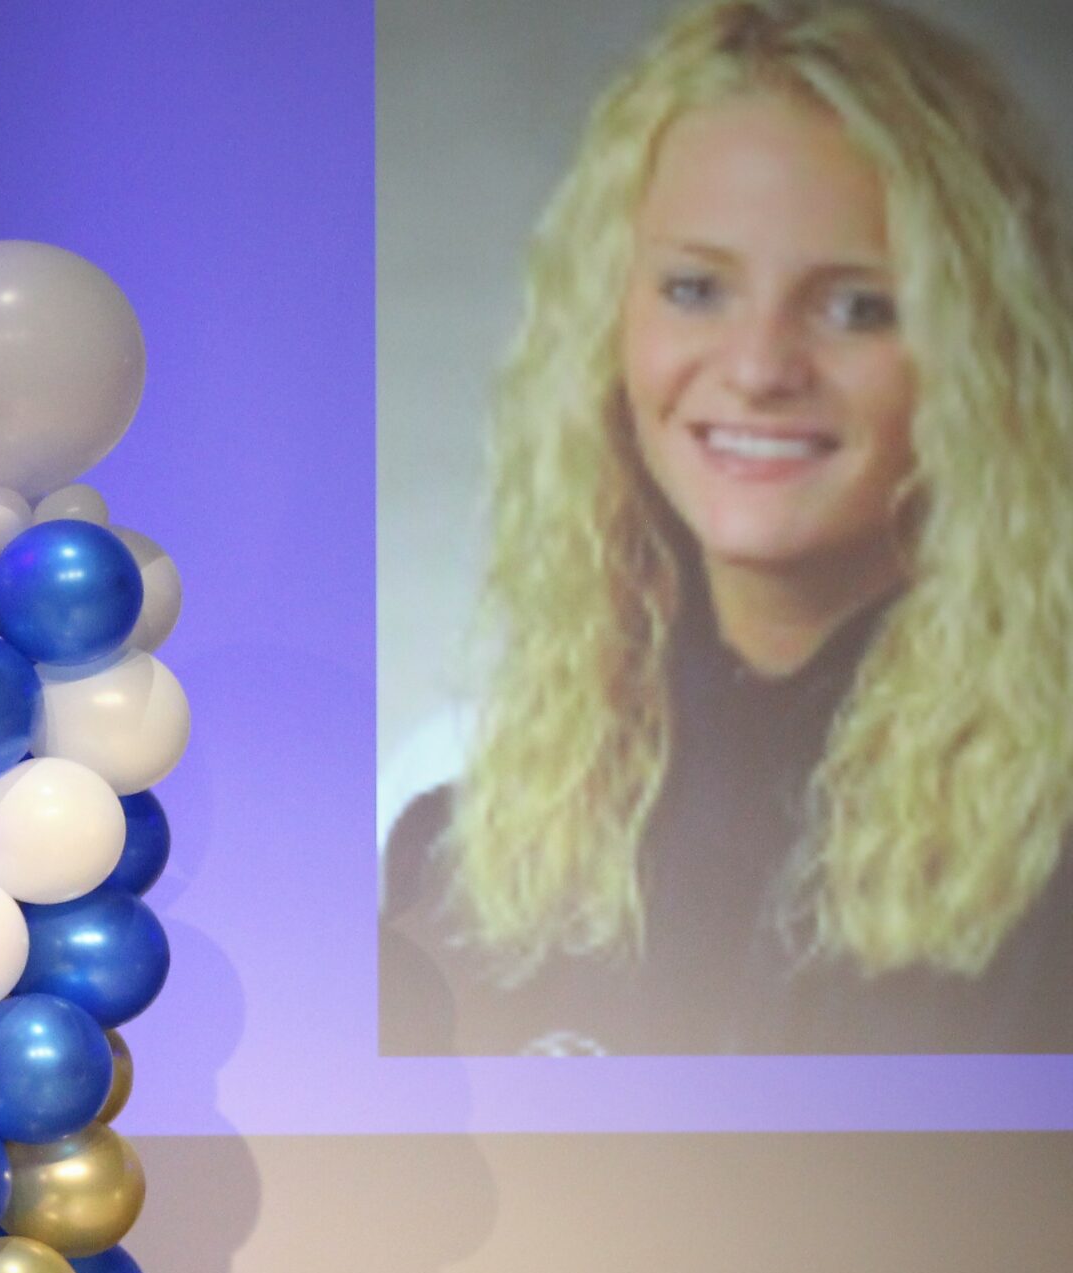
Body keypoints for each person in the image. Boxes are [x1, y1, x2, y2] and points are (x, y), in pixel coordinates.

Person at [381, 0, 1073, 1055]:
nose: (756, 368)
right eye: (695, 289)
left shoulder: (1046, 863)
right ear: (609, 327)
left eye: (853, 308)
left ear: (982, 355)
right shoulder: (458, 858)